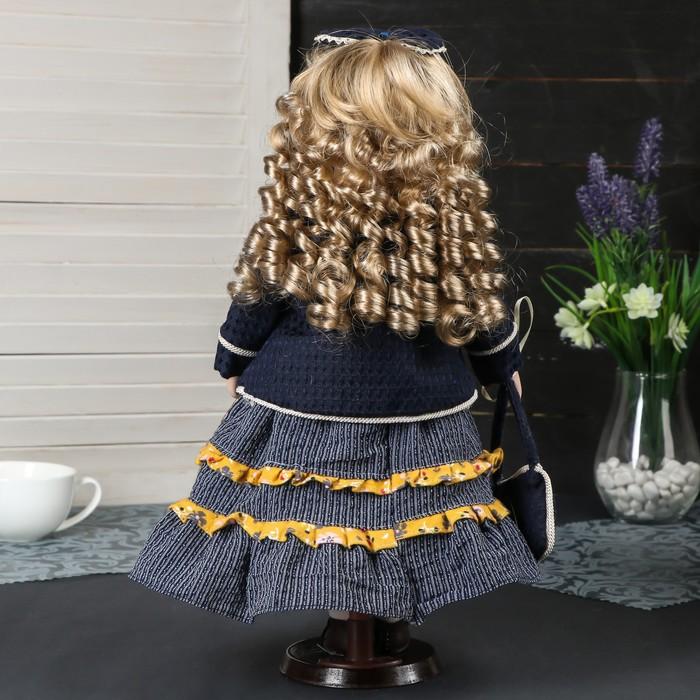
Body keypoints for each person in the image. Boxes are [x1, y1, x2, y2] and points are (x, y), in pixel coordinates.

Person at [128, 26, 539, 657]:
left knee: (320, 515)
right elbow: (478, 304)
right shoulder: (446, 220)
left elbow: (258, 294)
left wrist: (234, 358)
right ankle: (381, 623)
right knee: (406, 514)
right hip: (420, 406)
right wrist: (500, 367)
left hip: (302, 401)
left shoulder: (301, 212)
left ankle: (351, 625)